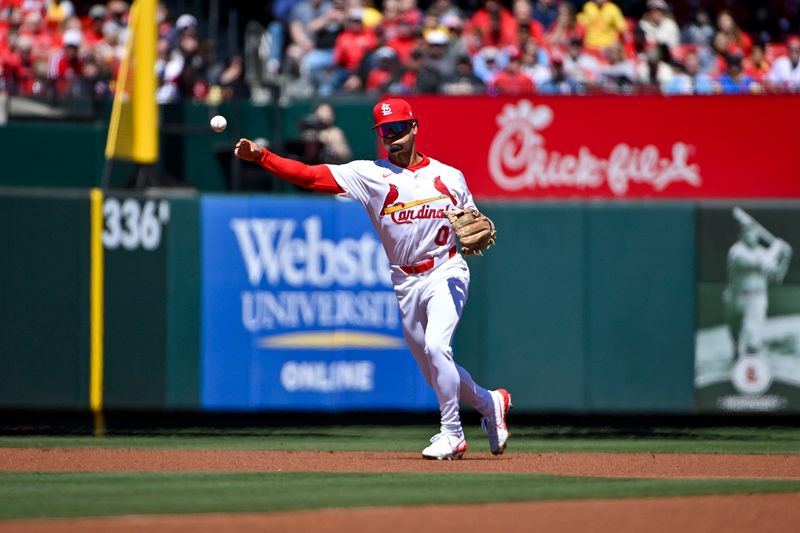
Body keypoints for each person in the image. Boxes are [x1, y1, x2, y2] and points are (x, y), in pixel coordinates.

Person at [234, 97, 511, 460]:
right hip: (405, 282)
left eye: (398, 128)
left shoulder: (449, 176)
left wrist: (471, 223)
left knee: (437, 347)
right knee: (434, 373)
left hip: (446, 269)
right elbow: (310, 175)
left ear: (414, 128)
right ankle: (491, 403)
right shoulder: (369, 174)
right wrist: (263, 157)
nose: (391, 137)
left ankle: (452, 434)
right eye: (384, 131)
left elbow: (471, 223)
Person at [724, 213, 792, 361]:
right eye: (747, 231)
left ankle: (750, 364)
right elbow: (765, 262)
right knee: (735, 330)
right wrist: (777, 247)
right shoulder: (737, 252)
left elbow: (776, 277)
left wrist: (785, 258)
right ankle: (736, 351)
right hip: (736, 297)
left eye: (753, 231)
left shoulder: (761, 251)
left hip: (757, 298)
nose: (751, 234)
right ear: (741, 234)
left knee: (752, 335)